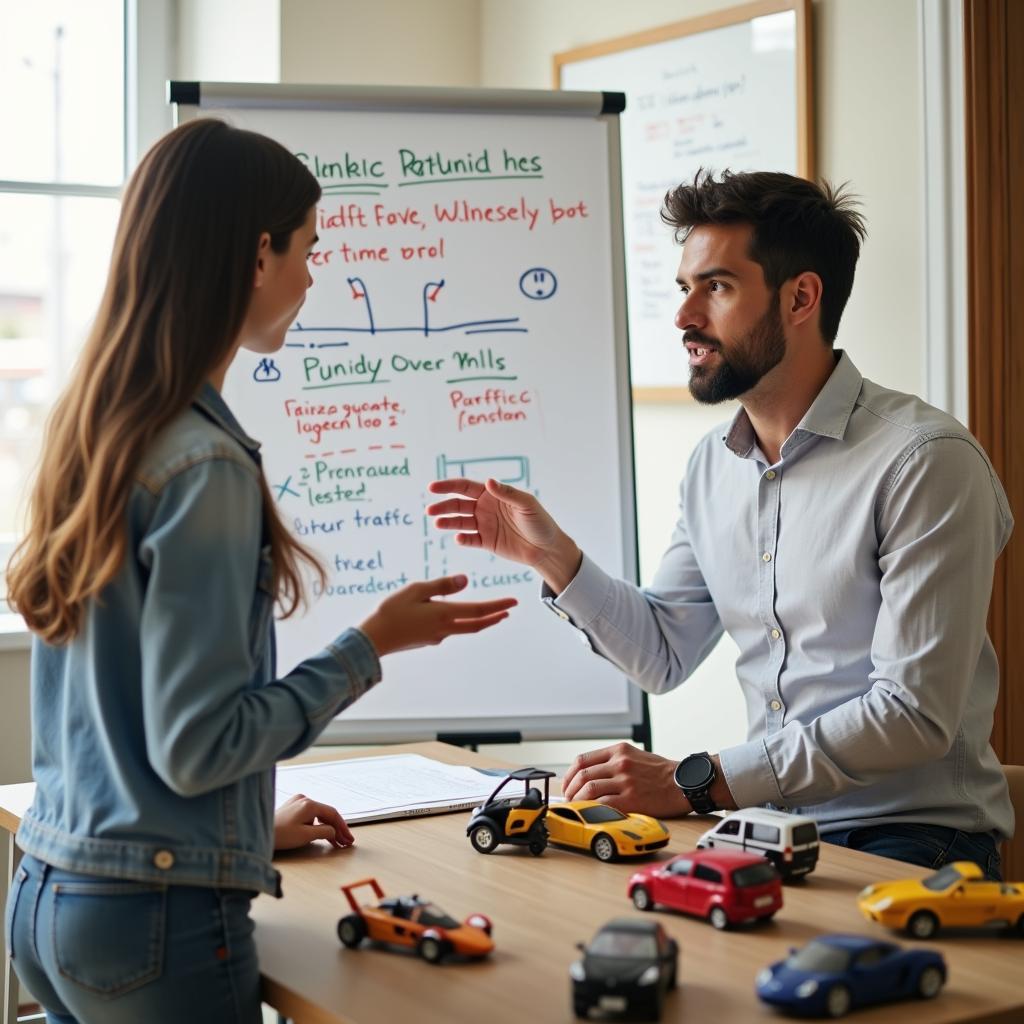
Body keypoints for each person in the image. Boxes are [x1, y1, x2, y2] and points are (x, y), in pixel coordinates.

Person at [3, 118, 517, 1024]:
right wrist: (373, 645)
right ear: (256, 254)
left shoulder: (99, 428)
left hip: (52, 896)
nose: (313, 278)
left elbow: (121, 723)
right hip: (150, 922)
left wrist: (242, 830)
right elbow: (199, 744)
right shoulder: (205, 466)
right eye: (308, 251)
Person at [427, 169, 1014, 880]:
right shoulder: (715, 465)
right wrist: (557, 562)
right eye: (684, 289)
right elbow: (662, 655)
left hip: (910, 838)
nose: (684, 317)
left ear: (801, 297)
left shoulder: (924, 461)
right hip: (769, 825)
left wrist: (693, 781)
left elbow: (912, 714)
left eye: (718, 287)